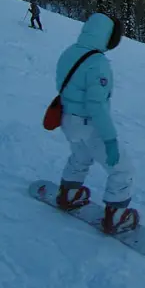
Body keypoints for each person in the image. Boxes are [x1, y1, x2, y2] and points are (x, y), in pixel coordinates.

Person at [54, 12, 139, 234]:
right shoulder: (98, 63)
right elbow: (96, 106)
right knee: (122, 168)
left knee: (81, 156)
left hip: (67, 119)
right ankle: (117, 216)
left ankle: (69, 194)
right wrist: (109, 139)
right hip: (88, 123)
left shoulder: (69, 52)